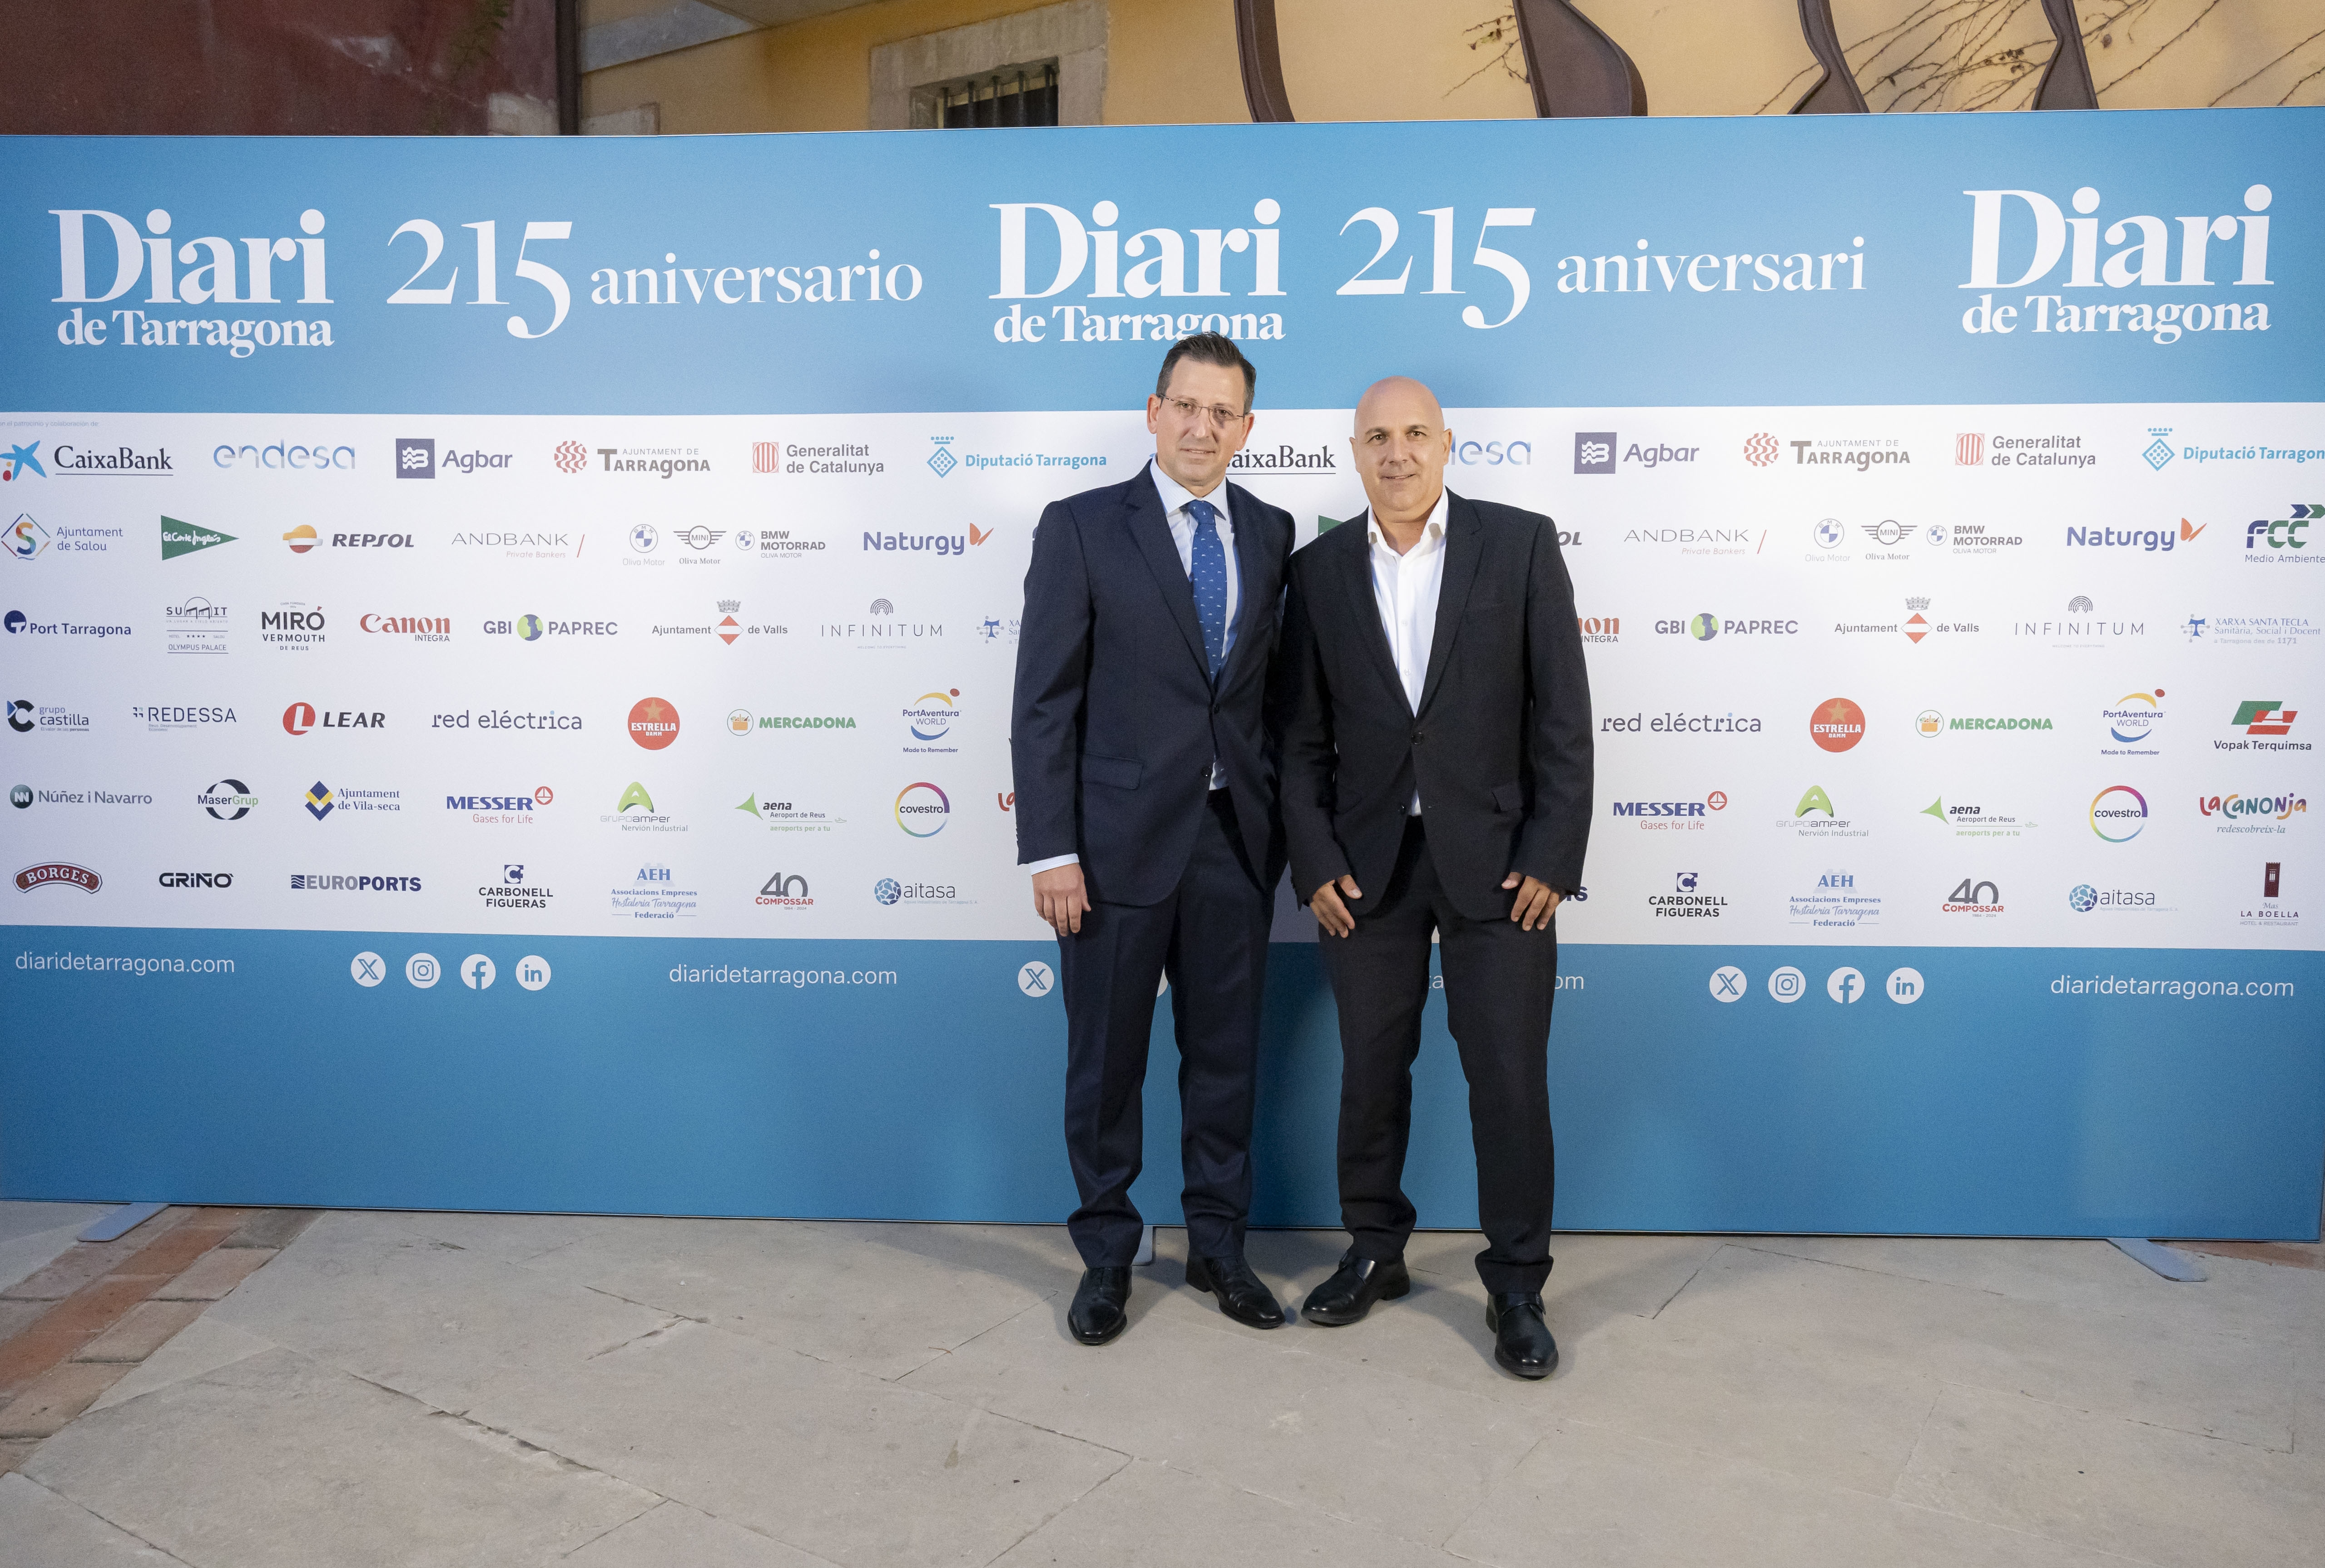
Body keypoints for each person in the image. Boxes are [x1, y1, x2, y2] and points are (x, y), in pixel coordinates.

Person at [1274, 376, 1592, 1379]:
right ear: (1354, 451)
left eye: (1415, 434)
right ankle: (1374, 1251)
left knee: (1507, 1079)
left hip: (1500, 867)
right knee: (1370, 1076)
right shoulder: (1317, 569)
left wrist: (1551, 854)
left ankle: (1517, 1285)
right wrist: (1315, 859)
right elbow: (1298, 741)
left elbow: (1563, 719)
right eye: (1377, 437)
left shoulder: (1521, 543)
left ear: (1447, 445)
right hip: (1365, 872)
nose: (1397, 453)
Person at [1011, 333, 1295, 1345]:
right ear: (1152, 410)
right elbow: (1044, 701)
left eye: (1222, 413)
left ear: (1246, 429)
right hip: (1111, 850)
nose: (1200, 427)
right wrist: (1051, 850)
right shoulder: (1082, 527)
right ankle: (1107, 1258)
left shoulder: (1271, 530)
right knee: (1105, 1068)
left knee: (1225, 1062)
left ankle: (1219, 1247)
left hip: (1232, 846)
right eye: (1186, 405)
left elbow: (1266, 704)